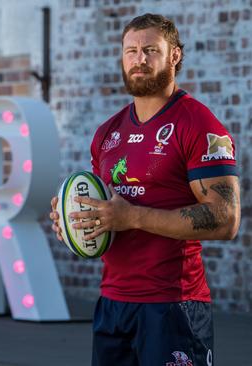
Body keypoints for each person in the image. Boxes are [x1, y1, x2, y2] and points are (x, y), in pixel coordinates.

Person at [49, 13, 240, 366]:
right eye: (131, 51)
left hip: (174, 307)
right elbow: (107, 210)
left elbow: (225, 219)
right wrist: (75, 220)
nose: (139, 59)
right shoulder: (107, 133)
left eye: (150, 50)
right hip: (112, 303)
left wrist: (132, 216)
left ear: (174, 56)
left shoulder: (198, 123)